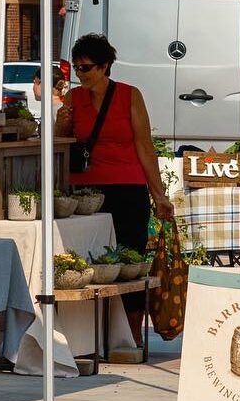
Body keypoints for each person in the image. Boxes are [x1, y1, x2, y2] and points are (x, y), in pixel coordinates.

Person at [57, 33, 175, 343]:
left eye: (88, 67)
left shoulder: (128, 95)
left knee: (130, 261)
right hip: (85, 191)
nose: (81, 74)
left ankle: (132, 335)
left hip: (127, 186)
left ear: (106, 65)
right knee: (89, 261)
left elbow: (144, 145)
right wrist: (60, 123)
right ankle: (90, 333)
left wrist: (158, 194)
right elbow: (60, 145)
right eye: (77, 68)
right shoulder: (73, 99)